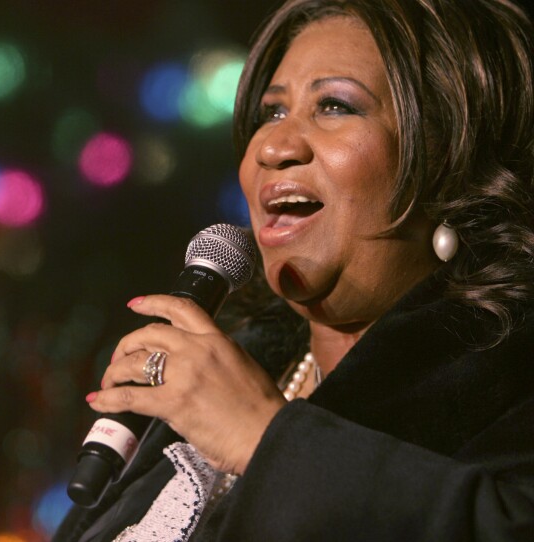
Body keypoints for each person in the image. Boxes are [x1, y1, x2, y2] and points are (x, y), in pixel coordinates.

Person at [54, 0, 534, 540]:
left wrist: (265, 440)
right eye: (272, 112)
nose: (273, 146)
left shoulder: (510, 399)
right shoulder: (219, 379)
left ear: (456, 164)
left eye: (335, 106)